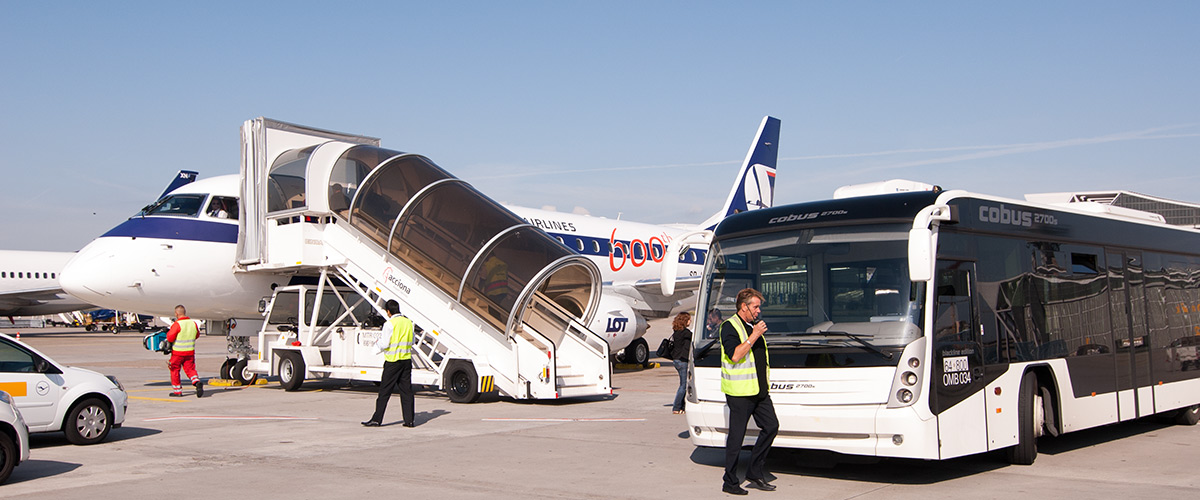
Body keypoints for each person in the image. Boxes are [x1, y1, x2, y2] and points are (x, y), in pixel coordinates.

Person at [719, 288, 778, 495]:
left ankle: (754, 472)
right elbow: (735, 355)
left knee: (771, 426)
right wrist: (755, 335)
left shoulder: (752, 326)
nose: (758, 311)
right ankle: (730, 482)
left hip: (759, 391)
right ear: (743, 307)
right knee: (737, 437)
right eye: (755, 306)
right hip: (740, 393)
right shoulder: (730, 326)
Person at [363, 300, 416, 427]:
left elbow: (385, 343)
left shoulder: (389, 324)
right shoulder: (408, 322)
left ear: (388, 311)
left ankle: (377, 419)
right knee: (406, 392)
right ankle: (409, 420)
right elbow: (413, 341)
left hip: (392, 362)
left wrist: (377, 344)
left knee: (384, 392)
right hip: (406, 360)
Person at [165, 305, 203, 398]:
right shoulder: (193, 323)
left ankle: (177, 391)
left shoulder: (177, 324)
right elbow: (197, 335)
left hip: (178, 353)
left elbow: (170, 337)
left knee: (174, 370)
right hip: (190, 352)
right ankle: (196, 382)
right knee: (190, 369)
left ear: (176, 313)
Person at [669, 311, 693, 414]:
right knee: (683, 385)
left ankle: (682, 406)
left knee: (683, 384)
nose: (690, 321)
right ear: (685, 321)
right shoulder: (686, 333)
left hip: (676, 360)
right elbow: (694, 337)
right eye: (689, 320)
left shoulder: (676, 332)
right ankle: (676, 407)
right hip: (682, 360)